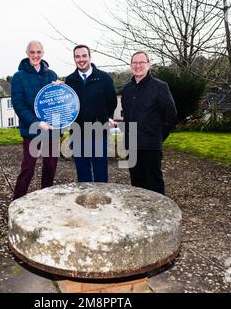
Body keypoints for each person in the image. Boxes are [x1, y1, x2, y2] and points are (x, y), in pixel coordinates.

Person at [121, 51, 177, 195]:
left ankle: (159, 216)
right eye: (135, 62)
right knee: (136, 185)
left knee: (154, 186)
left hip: (150, 146)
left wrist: (157, 136)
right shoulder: (126, 89)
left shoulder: (160, 87)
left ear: (149, 65)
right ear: (130, 65)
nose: (138, 65)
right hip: (131, 146)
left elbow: (171, 116)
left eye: (142, 62)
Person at [11, 40, 59, 200]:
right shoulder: (18, 77)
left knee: (50, 167)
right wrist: (37, 122)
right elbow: (18, 104)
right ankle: (16, 202)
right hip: (31, 129)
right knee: (28, 169)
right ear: (27, 53)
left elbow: (57, 102)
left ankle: (45, 200)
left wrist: (60, 89)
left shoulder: (51, 75)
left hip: (51, 129)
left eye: (38, 52)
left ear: (43, 53)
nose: (36, 55)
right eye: (32, 52)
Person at [65, 45, 118, 182]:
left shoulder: (104, 78)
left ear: (89, 57)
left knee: (101, 174)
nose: (81, 59)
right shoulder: (69, 80)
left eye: (84, 56)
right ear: (74, 58)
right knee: (83, 176)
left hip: (99, 134)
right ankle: (85, 203)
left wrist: (102, 118)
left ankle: (101, 203)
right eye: (77, 56)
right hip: (78, 134)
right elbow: (67, 106)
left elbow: (112, 102)